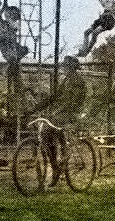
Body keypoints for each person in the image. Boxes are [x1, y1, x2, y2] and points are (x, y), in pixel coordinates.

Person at [31, 55, 87, 186]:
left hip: (72, 114)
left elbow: (73, 102)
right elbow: (54, 97)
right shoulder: (66, 80)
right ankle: (56, 166)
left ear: (72, 68)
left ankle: (60, 162)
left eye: (67, 66)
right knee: (46, 136)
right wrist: (36, 108)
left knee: (50, 131)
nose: (64, 68)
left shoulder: (78, 81)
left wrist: (58, 111)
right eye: (64, 66)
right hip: (61, 113)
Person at [0, 0, 29, 64]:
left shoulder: (12, 25)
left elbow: (5, 14)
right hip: (7, 47)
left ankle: (14, 61)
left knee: (24, 50)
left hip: (11, 46)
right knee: (13, 57)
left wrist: (4, 1)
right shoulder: (4, 24)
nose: (15, 21)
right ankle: (14, 62)